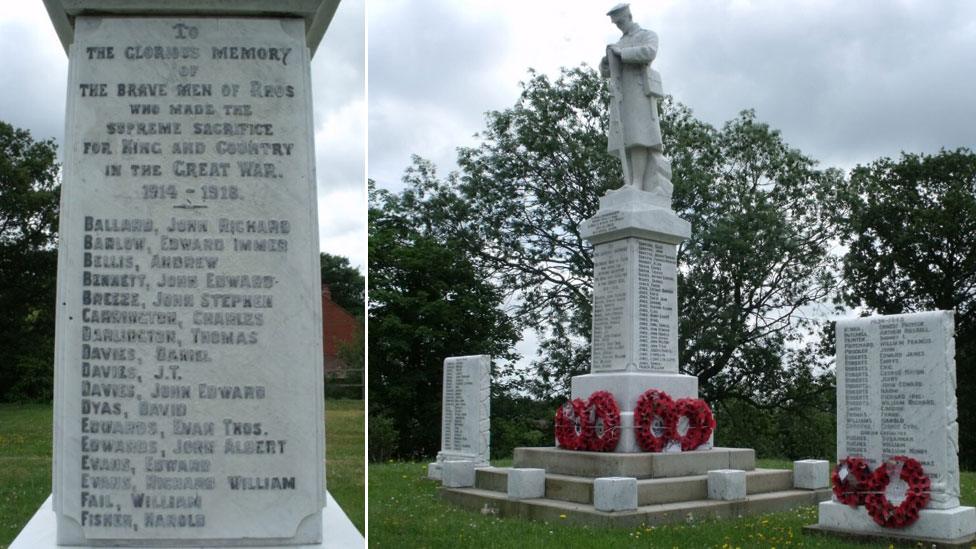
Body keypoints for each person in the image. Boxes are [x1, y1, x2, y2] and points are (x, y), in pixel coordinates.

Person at [600, 3, 672, 198]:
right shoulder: (620, 41)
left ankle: (638, 183)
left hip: (639, 91)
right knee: (627, 137)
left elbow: (649, 52)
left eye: (620, 21)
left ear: (629, 16)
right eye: (616, 24)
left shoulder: (646, 35)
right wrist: (606, 61)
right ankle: (631, 181)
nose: (619, 26)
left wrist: (621, 54)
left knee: (638, 136)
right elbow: (607, 72)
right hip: (622, 93)